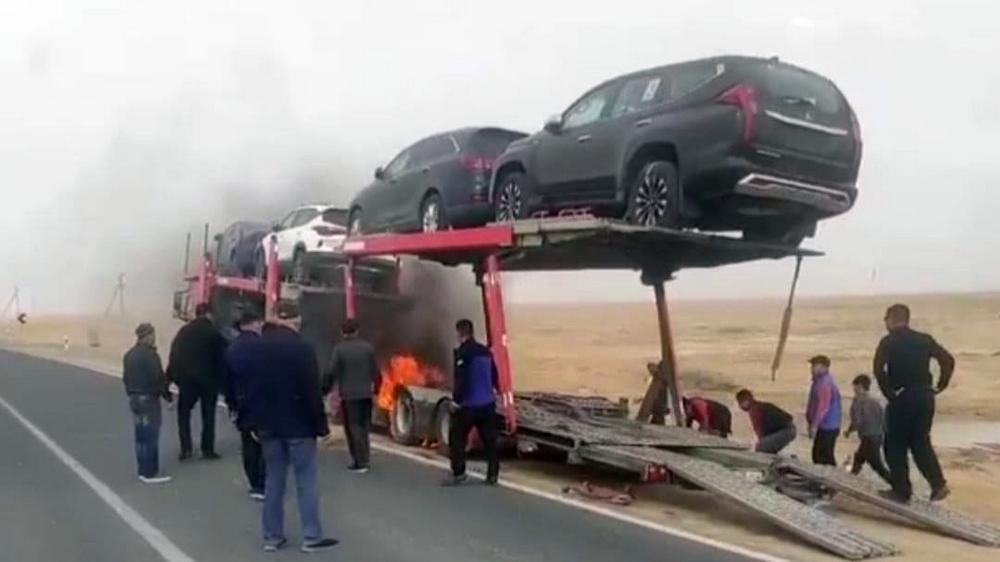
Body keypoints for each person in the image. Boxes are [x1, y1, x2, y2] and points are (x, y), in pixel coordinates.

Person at [245, 303, 337, 553]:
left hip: (268, 427)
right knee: (306, 480)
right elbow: (311, 391)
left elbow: (251, 389)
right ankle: (311, 536)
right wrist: (322, 427)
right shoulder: (302, 348)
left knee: (273, 481)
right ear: (295, 321)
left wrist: (252, 422)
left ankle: (272, 537)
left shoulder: (259, 348)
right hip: (299, 427)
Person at [874, 303, 955, 502]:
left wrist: (889, 393)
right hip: (925, 397)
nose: (885, 323)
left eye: (886, 319)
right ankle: (938, 484)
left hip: (903, 397)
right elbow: (948, 360)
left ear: (892, 320)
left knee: (895, 444)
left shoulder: (888, 342)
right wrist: (940, 385)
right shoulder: (924, 339)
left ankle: (901, 491)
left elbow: (878, 369)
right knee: (920, 442)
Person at [443, 318, 500, 486]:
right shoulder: (485, 351)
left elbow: (461, 380)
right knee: (490, 441)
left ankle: (459, 473)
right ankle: (492, 475)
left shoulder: (462, 353)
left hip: (469, 405)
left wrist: (456, 401)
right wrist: (494, 391)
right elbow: (494, 375)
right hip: (487, 404)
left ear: (459, 333)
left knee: (457, 438)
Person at [167, 303, 228, 460]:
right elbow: (223, 357)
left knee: (184, 414)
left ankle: (186, 448)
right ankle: (207, 449)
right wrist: (223, 381)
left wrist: (172, 377)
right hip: (209, 381)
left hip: (187, 380)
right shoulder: (214, 333)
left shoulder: (184, 332)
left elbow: (174, 354)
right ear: (209, 314)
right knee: (208, 415)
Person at [323, 318, 380, 473]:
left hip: (349, 396)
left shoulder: (340, 350)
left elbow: (331, 372)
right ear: (357, 331)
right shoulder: (368, 348)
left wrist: (325, 390)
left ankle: (360, 461)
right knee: (363, 427)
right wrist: (376, 391)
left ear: (342, 332)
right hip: (366, 395)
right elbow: (376, 372)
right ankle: (364, 458)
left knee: (352, 428)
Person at [223, 309, 267, 500]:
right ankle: (264, 481)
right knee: (265, 442)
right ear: (254, 323)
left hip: (242, 403)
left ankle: (254, 483)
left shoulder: (232, 348)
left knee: (248, 443)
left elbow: (227, 381)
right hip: (263, 401)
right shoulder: (264, 346)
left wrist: (232, 405)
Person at [122, 323, 173, 484]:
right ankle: (150, 471)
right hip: (148, 399)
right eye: (153, 335)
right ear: (148, 335)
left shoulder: (129, 355)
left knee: (140, 435)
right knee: (151, 435)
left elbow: (126, 378)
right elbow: (158, 378)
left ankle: (142, 469)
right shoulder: (151, 355)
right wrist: (167, 396)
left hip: (134, 398)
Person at [845, 374, 891, 484]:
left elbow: (857, 421)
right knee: (859, 457)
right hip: (877, 436)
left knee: (876, 464)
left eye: (855, 386)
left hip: (868, 437)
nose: (854, 389)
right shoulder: (875, 402)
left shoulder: (858, 401)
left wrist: (849, 431)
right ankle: (851, 477)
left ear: (860, 387)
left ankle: (895, 483)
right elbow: (884, 419)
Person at [805, 355, 843, 466]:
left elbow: (823, 407)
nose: (812, 368)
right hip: (826, 425)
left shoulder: (824, 383)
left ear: (824, 367)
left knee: (822, 456)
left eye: (815, 366)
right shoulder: (820, 381)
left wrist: (814, 425)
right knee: (821, 455)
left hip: (828, 425)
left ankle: (833, 475)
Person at [736, 389, 797, 454]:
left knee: (760, 447)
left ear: (746, 400)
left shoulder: (754, 410)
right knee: (765, 445)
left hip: (786, 430)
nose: (740, 406)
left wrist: (762, 445)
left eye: (740, 403)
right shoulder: (759, 406)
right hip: (788, 429)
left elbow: (760, 433)